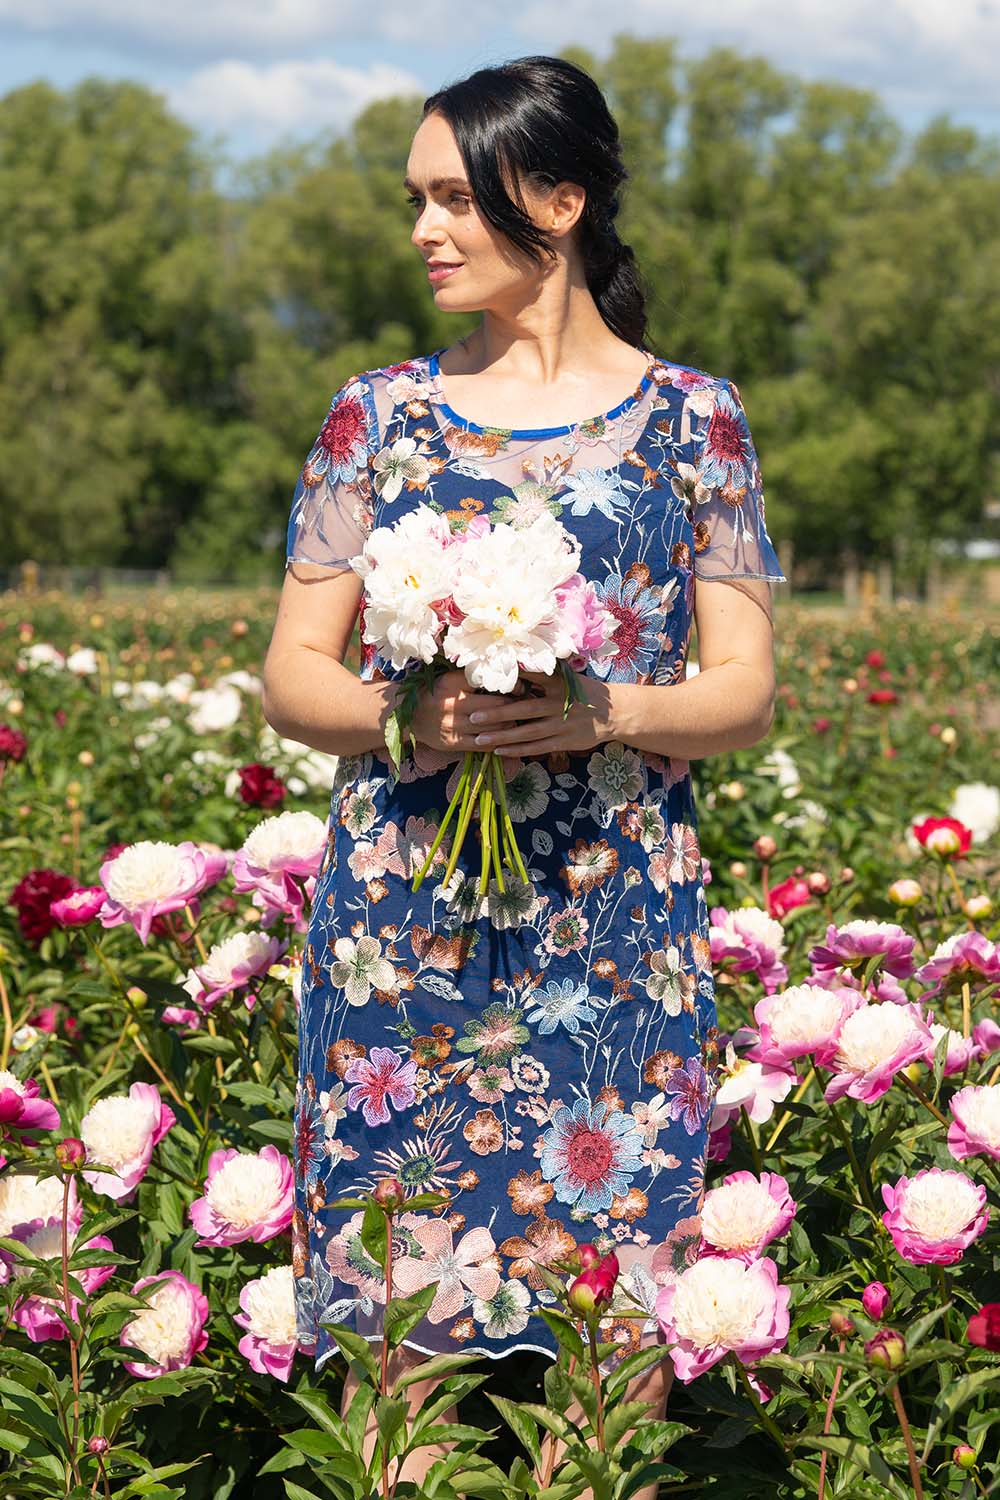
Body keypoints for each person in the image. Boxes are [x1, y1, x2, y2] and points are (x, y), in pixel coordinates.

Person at [262, 53, 786, 1498]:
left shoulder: (695, 421)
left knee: (607, 1333)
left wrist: (607, 710)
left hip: (614, 930)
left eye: (453, 198)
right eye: (416, 199)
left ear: (555, 199)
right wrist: (404, 722)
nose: (423, 230)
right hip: (405, 933)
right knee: (402, 1336)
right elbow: (295, 670)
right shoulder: (378, 414)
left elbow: (744, 689)